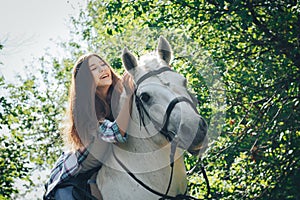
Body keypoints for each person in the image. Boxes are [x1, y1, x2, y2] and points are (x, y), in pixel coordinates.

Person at [44, 53, 133, 199]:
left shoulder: (120, 97)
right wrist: (130, 95)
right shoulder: (86, 111)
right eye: (94, 68)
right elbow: (116, 133)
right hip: (70, 179)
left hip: (98, 173)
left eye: (103, 64)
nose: (102, 70)